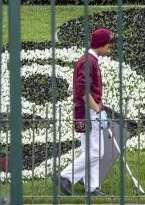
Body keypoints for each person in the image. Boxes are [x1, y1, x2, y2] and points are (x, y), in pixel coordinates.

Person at [56, 28, 114, 197]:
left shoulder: (90, 60)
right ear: (100, 45)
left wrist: (99, 105)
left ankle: (92, 187)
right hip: (88, 112)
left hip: (88, 110)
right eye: (108, 44)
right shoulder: (89, 62)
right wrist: (97, 110)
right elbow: (83, 90)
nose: (110, 47)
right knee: (96, 152)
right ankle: (65, 177)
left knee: (89, 151)